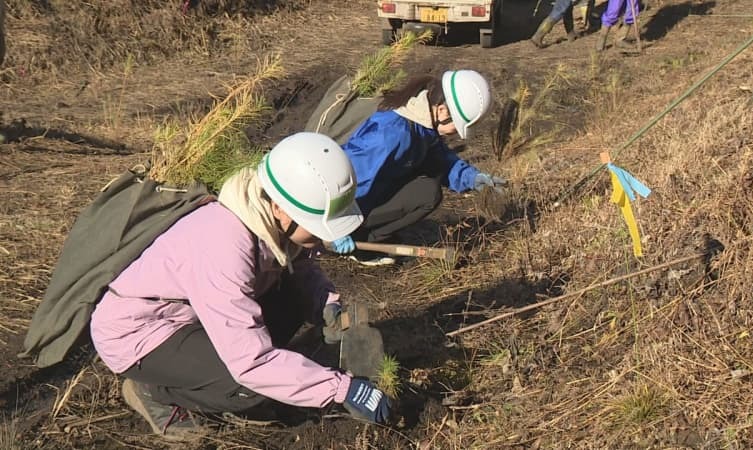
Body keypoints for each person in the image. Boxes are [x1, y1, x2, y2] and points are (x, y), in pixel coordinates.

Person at [89, 132, 391, 441]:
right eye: (316, 229)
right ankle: (155, 392)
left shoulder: (264, 220)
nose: (322, 239)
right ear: (280, 209)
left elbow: (298, 266)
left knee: (292, 296)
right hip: (140, 333)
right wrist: (341, 389)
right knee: (248, 387)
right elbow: (251, 363)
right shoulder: (225, 246)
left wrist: (324, 302)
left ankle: (208, 371)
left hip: (191, 316)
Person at [328, 70, 506, 266]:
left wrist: (471, 177)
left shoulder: (421, 123)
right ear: (442, 111)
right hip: (339, 203)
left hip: (373, 193)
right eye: (457, 126)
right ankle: (360, 242)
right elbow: (347, 178)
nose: (456, 134)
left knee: (426, 191)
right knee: (427, 194)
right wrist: (335, 227)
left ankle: (367, 235)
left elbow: (439, 158)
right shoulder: (393, 135)